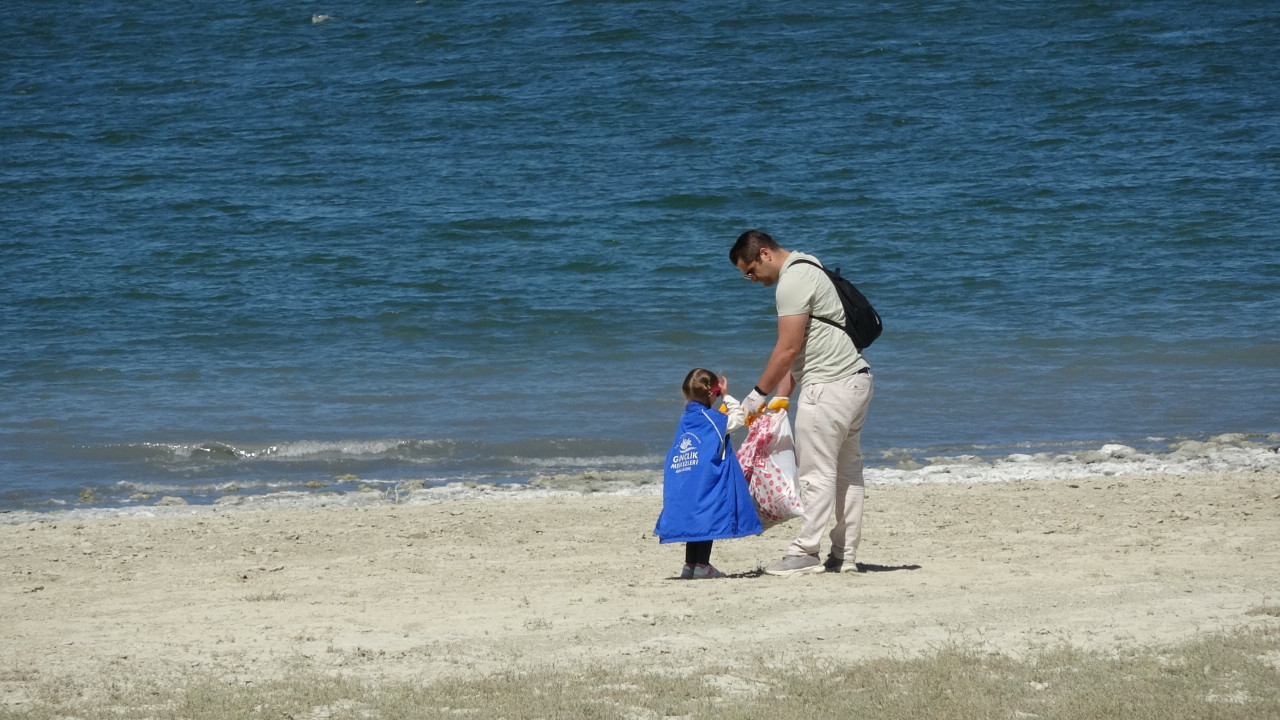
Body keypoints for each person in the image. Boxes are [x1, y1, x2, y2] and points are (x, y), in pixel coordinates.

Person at [729, 230, 873, 576]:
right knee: (848, 473)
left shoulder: (790, 282)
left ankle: (806, 552)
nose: (752, 280)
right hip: (856, 379)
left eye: (750, 271)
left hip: (827, 387)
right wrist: (781, 399)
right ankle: (844, 555)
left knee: (816, 474)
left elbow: (788, 348)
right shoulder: (810, 263)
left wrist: (756, 396)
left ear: (764, 253)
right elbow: (809, 344)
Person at [654, 368, 763, 579]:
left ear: (686, 393)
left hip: (685, 477)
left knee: (695, 518)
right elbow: (739, 418)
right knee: (707, 518)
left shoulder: (686, 419)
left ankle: (690, 565)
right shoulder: (713, 420)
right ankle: (702, 565)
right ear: (713, 393)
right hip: (705, 478)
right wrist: (727, 395)